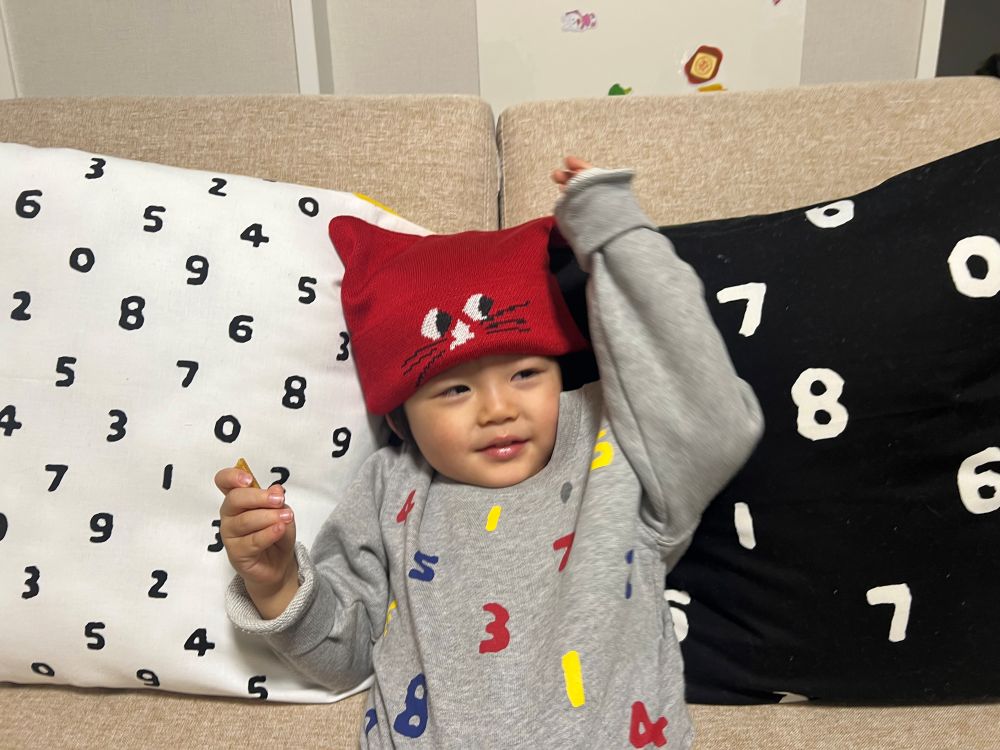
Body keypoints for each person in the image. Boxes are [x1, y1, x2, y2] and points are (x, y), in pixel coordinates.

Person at [215, 157, 763, 748]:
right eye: (455, 390)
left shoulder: (612, 444)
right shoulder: (390, 485)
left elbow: (708, 410)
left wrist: (614, 229)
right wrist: (277, 583)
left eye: (526, 373)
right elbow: (344, 658)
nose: (498, 408)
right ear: (400, 417)